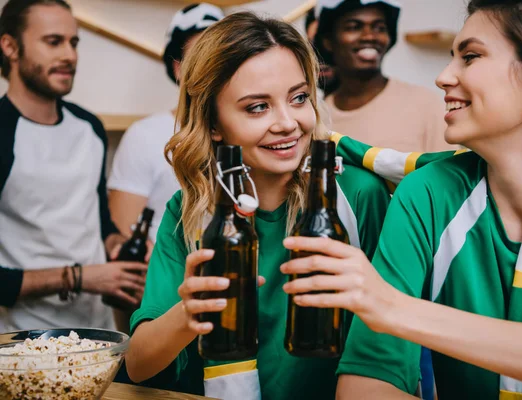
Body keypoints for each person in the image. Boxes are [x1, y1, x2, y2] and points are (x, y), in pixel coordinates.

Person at [281, 0, 522, 398]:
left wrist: (397, 310)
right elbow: (365, 384)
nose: (444, 77)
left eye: (470, 56)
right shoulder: (429, 193)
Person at [125, 12, 391, 399]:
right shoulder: (190, 211)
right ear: (214, 124)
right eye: (257, 107)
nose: (287, 123)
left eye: (299, 98)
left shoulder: (357, 195)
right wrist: (189, 313)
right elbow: (138, 364)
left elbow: (388, 348)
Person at [0, 0, 148, 332]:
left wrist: (119, 246)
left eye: (74, 42)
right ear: (10, 46)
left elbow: (100, 225)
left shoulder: (88, 128)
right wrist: (79, 277)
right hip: (22, 342)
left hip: (99, 333)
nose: (70, 55)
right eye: (54, 42)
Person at [108, 3, 224, 243]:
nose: (212, 68)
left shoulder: (247, 131)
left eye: (221, 57)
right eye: (200, 57)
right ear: (178, 68)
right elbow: (122, 234)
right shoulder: (144, 135)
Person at [314, 0, 452, 152]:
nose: (370, 36)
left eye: (380, 28)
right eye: (353, 27)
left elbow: (447, 173)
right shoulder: (318, 117)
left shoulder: (426, 105)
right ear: (328, 41)